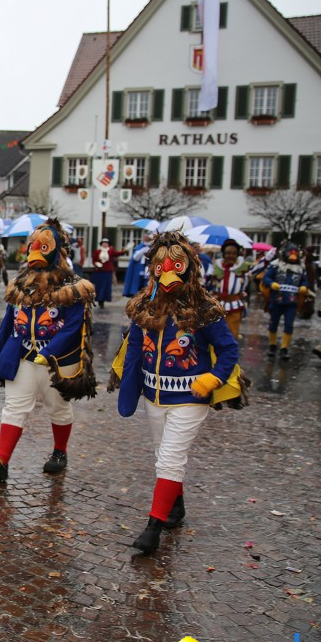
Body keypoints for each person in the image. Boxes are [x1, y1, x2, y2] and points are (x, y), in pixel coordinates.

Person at [111, 231, 243, 554]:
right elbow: (134, 353)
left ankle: (152, 528)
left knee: (170, 458)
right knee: (164, 456)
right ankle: (176, 506)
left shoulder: (203, 308)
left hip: (190, 397)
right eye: (161, 265)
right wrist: (128, 387)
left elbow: (228, 350)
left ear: (188, 267)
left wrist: (213, 379)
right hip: (153, 396)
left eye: (175, 264)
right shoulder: (145, 306)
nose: (167, 270)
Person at [0, 222, 96, 481]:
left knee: (57, 407)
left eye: (42, 246)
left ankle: (60, 451)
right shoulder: (22, 284)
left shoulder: (72, 286)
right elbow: (8, 323)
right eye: (33, 246)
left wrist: (50, 352)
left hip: (56, 361)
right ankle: (2, 460)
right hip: (22, 354)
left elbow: (73, 326)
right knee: (13, 408)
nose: (35, 252)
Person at [262, 242, 307, 360]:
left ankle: (284, 348)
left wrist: (304, 286)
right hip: (276, 300)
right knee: (273, 323)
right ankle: (272, 345)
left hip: (292, 302)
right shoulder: (276, 265)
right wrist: (272, 284)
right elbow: (266, 278)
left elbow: (305, 281)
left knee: (289, 324)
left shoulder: (300, 268)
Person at [205, 239, 250, 339]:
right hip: (218, 305)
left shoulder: (243, 269)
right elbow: (207, 282)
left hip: (234, 305)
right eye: (228, 253)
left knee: (232, 333)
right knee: (215, 333)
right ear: (224, 254)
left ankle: (230, 353)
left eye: (234, 253)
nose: (231, 256)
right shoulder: (216, 267)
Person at [90, 239, 123, 309]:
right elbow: (93, 260)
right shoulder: (97, 252)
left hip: (107, 272)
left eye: (106, 243)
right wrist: (96, 264)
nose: (105, 245)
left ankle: (103, 300)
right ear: (101, 244)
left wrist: (124, 251)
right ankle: (99, 300)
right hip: (99, 271)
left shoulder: (111, 251)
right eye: (103, 243)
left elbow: (118, 253)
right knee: (99, 286)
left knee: (106, 287)